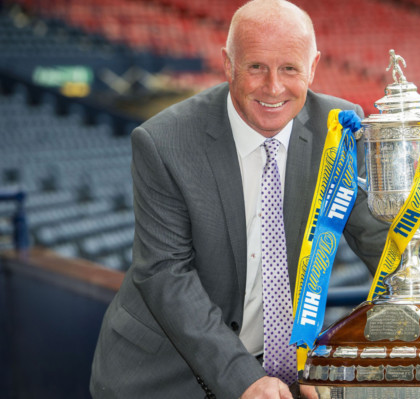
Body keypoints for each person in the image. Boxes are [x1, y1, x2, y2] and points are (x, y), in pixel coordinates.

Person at [89, 0, 388, 398]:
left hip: (279, 374)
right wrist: (242, 377)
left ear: (313, 67)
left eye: (289, 68)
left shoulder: (337, 127)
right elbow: (164, 273)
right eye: (256, 67)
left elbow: (376, 237)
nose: (273, 87)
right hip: (164, 375)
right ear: (228, 64)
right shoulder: (164, 142)